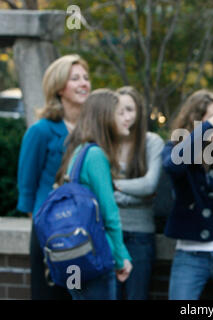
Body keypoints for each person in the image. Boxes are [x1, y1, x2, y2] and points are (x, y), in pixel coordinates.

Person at [16, 54, 91, 300]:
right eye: (75, 78)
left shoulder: (92, 129)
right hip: (51, 231)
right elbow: (27, 187)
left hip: (87, 230)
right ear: (59, 87)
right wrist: (45, 225)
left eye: (86, 78)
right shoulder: (41, 131)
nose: (84, 83)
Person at [162, 89, 213, 300]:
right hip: (189, 254)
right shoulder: (175, 150)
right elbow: (173, 166)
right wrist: (206, 128)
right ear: (195, 121)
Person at [55, 88, 133, 300]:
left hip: (75, 256)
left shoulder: (79, 151)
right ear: (105, 117)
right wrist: (121, 257)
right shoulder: (96, 154)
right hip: (95, 255)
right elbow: (109, 214)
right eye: (120, 113)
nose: (127, 118)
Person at [113, 86, 164, 300]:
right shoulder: (105, 144)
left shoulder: (152, 142)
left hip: (140, 235)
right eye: (119, 110)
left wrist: (113, 186)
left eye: (129, 110)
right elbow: (96, 192)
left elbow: (150, 185)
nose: (125, 116)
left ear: (139, 112)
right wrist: (135, 193)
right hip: (108, 234)